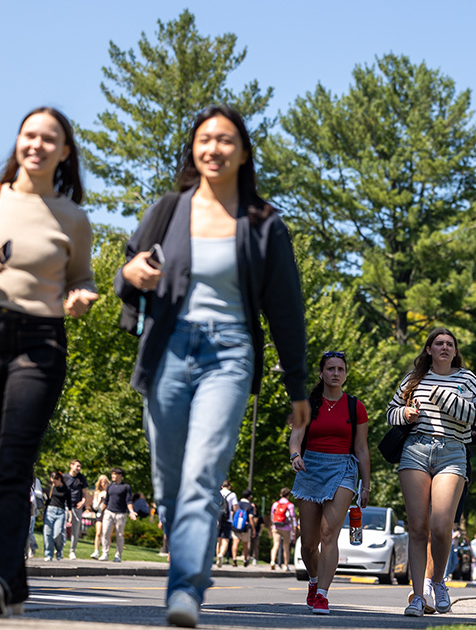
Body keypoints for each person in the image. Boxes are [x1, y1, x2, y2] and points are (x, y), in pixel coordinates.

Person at [117, 103, 310, 627]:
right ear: (194, 149)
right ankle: (186, 567)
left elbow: (286, 312)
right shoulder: (170, 210)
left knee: (203, 475)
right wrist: (131, 273)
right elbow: (128, 270)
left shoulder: (264, 224)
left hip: (230, 354)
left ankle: (185, 590)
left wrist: (299, 390)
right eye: (205, 139)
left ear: (243, 151)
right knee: (168, 483)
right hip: (169, 350)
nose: (214, 148)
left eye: (226, 140)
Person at [0, 106, 97, 617]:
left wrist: (80, 297)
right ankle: (13, 583)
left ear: (64, 151)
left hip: (41, 341)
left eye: (50, 138)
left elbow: (85, 277)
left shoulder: (73, 216)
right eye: (30, 135)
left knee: (13, 459)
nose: (37, 144)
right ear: (19, 141)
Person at [389, 328, 476, 617]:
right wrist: (405, 414)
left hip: (453, 452)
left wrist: (446, 399)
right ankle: (417, 597)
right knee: (417, 528)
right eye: (439, 343)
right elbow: (391, 411)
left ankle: (438, 582)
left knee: (442, 526)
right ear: (429, 349)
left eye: (450, 344)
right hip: (416, 450)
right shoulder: (414, 378)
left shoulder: (466, 378)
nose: (444, 348)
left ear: (455, 351)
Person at [290, 351, 371, 615]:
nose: (336, 373)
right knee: (308, 544)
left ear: (345, 374)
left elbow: (361, 448)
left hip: (343, 469)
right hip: (310, 467)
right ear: (322, 373)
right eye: (331, 369)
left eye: (341, 369)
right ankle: (314, 581)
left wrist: (366, 485)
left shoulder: (355, 406)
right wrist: (295, 455)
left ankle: (323, 594)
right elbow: (296, 437)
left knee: (328, 534)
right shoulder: (308, 403)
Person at [100, 468, 138, 562]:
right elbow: (106, 500)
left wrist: (131, 511)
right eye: (112, 474)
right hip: (109, 512)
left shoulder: (126, 486)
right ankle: (105, 553)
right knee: (105, 533)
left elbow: (128, 500)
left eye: (115, 474)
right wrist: (101, 511)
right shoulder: (110, 486)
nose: (113, 476)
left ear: (120, 475)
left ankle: (118, 555)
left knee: (119, 535)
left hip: (121, 514)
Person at [42, 470, 71, 561]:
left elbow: (69, 503)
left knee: (57, 533)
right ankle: (49, 554)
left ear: (59, 479)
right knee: (47, 533)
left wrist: (70, 515)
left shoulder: (66, 489)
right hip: (49, 511)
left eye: (55, 481)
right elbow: (47, 501)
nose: (54, 483)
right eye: (52, 482)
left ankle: (59, 551)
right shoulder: (51, 488)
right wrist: (43, 512)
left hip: (60, 512)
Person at [63, 460, 88, 559]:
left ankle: (72, 551)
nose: (78, 468)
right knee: (61, 528)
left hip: (77, 507)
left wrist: (83, 501)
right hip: (65, 506)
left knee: (75, 530)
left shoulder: (81, 478)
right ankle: (59, 548)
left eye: (80, 467)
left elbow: (84, 493)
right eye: (77, 466)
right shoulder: (64, 477)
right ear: (71, 466)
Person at [269, 488, 297, 571]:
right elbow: (292, 518)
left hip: (276, 527)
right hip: (286, 528)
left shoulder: (275, 504)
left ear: (280, 495)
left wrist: (272, 525)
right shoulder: (290, 505)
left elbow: (272, 516)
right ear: (288, 495)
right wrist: (293, 530)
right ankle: (286, 565)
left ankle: (272, 562)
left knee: (275, 545)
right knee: (286, 547)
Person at [232, 489, 256, 567]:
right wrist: (253, 529)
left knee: (235, 543)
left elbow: (233, 514)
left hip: (236, 527)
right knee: (245, 544)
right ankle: (245, 560)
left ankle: (234, 559)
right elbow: (250, 518)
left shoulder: (237, 504)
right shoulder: (250, 506)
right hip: (245, 528)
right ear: (249, 497)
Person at [216, 481, 237, 566]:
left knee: (218, 540)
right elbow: (235, 508)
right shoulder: (232, 495)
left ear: (222, 486)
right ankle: (221, 554)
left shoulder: (217, 493)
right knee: (225, 539)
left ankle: (218, 557)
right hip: (228, 519)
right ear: (229, 486)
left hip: (218, 519)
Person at [89, 474, 110, 560]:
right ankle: (96, 551)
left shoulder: (110, 493)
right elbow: (95, 507)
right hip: (100, 514)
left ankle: (105, 552)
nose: (104, 484)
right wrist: (101, 501)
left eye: (105, 482)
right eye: (102, 482)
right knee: (98, 533)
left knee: (106, 534)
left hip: (108, 515)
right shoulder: (97, 493)